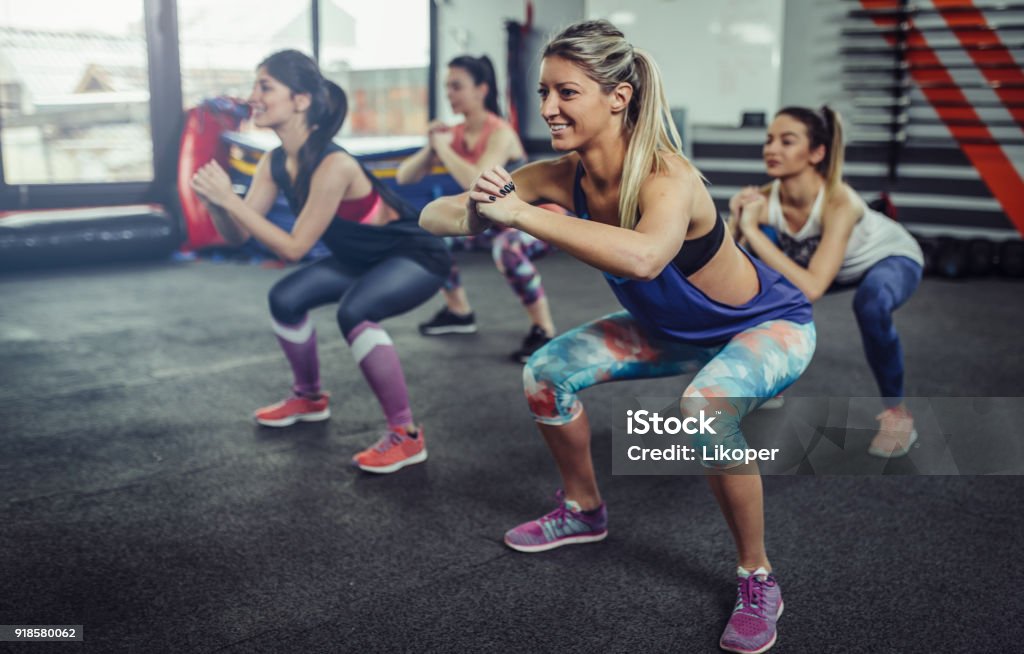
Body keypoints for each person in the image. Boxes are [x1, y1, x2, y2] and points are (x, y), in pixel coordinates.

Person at [420, 21, 815, 654]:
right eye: (544, 91)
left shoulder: (668, 176)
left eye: (566, 92)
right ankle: (584, 509)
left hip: (768, 328)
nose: (549, 107)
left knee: (704, 410)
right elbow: (431, 216)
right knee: (545, 374)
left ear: (618, 97)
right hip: (673, 332)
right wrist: (482, 200)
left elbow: (644, 259)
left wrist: (520, 213)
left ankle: (757, 576)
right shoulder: (561, 175)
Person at [190, 49, 450, 474]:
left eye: (265, 86)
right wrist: (219, 204)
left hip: (414, 256)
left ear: (301, 100)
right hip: (358, 259)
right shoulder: (275, 163)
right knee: (286, 298)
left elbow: (293, 248)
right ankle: (309, 397)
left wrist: (228, 202)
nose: (253, 95)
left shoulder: (334, 164)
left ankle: (406, 435)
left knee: (356, 312)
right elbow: (237, 235)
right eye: (255, 85)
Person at [729, 105, 924, 458]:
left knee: (871, 303)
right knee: (757, 289)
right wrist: (735, 218)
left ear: (817, 153)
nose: (772, 149)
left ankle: (898, 415)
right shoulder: (765, 199)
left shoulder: (838, 202)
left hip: (889, 258)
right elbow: (730, 269)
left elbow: (812, 288)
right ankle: (771, 382)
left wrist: (752, 230)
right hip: (822, 267)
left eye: (787, 142)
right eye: (769, 140)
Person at [396, 54, 558, 362]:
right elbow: (405, 176)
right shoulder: (453, 134)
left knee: (507, 249)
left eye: (457, 86)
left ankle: (544, 330)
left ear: (481, 90)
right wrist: (432, 144)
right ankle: (459, 311)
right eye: (447, 87)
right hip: (493, 220)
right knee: (432, 236)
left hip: (536, 220)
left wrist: (442, 147)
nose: (449, 94)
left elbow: (478, 183)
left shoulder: (500, 133)